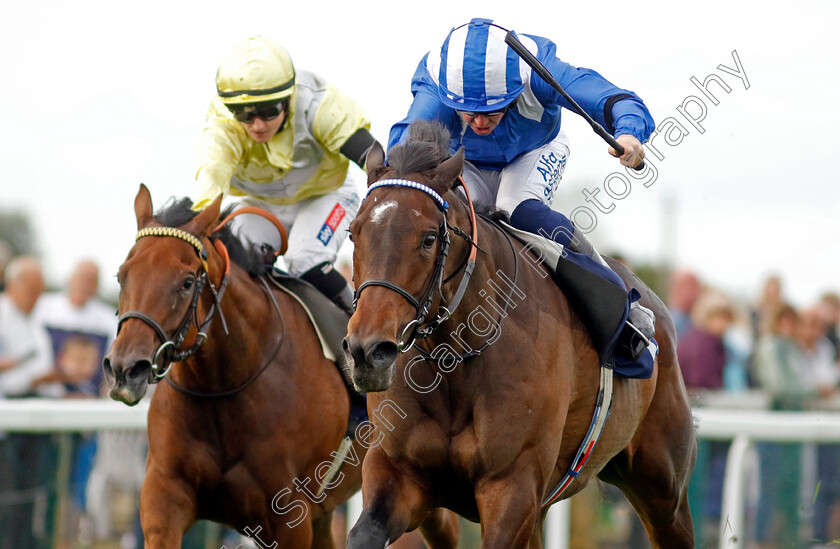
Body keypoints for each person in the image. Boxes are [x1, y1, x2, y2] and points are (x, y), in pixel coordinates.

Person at [388, 18, 656, 340]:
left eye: (493, 110)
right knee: (450, 215)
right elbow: (403, 146)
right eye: (468, 112)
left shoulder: (534, 68)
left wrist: (629, 131)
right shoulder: (438, 82)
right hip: (466, 161)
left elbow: (610, 98)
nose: (480, 122)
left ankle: (619, 300)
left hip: (534, 150)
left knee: (517, 208)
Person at [194, 36, 382, 314]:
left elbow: (376, 162)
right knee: (231, 262)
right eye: (244, 114)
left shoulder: (319, 104)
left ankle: (361, 326)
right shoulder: (222, 124)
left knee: (304, 260)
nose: (257, 125)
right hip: (259, 204)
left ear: (289, 98)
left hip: (326, 197)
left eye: (268, 111)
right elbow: (210, 183)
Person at [667, 269, 702, 339]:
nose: (697, 292)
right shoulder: (666, 325)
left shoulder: (699, 323)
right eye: (691, 286)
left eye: (697, 287)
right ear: (676, 289)